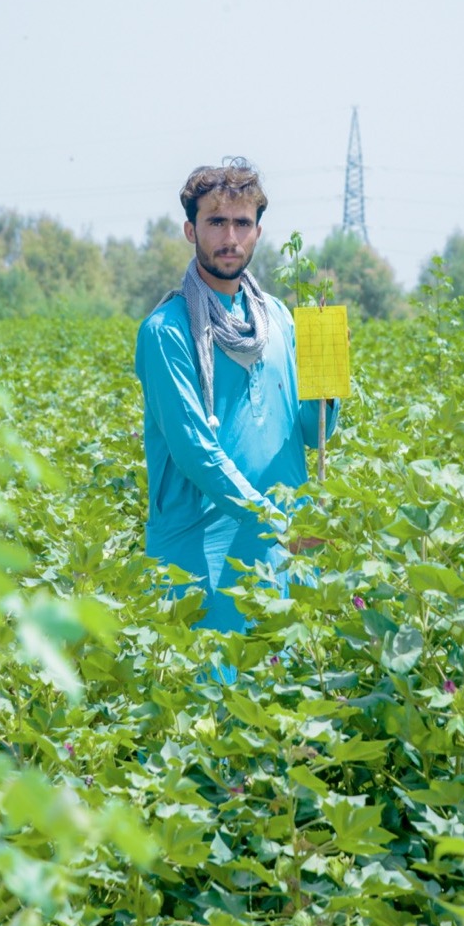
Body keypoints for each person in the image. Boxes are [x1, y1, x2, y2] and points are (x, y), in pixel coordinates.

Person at [134, 158, 338, 634]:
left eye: (242, 223)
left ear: (259, 233)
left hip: (278, 553)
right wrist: (276, 521)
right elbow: (195, 452)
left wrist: (328, 381)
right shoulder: (166, 331)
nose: (230, 238)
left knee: (283, 693)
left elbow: (311, 433)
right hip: (200, 555)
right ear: (191, 230)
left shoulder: (280, 319)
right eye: (216, 222)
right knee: (209, 699)